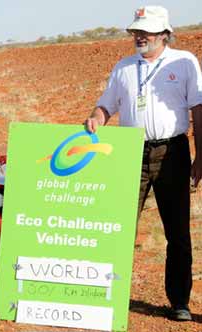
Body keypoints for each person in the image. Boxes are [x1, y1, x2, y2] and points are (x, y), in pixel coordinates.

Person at [85, 5, 202, 321]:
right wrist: (97, 118)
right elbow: (106, 106)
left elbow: (198, 110)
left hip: (172, 153)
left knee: (177, 231)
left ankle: (179, 301)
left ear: (164, 33)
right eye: (136, 31)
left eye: (146, 31)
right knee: (118, 228)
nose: (139, 36)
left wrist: (200, 156)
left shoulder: (185, 63)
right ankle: (108, 295)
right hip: (129, 154)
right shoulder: (123, 67)